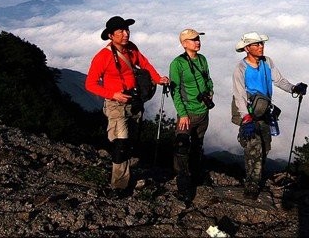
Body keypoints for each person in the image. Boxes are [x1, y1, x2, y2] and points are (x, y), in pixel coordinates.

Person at [85, 15, 169, 196]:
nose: (126, 34)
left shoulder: (131, 49)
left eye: (127, 30)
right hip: (115, 104)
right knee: (121, 143)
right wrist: (112, 94)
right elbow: (90, 84)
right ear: (110, 35)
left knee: (131, 142)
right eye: (121, 31)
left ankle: (127, 172)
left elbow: (144, 63)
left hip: (134, 101)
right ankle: (119, 186)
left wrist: (157, 78)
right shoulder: (102, 57)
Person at [232, 31, 307, 199]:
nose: (261, 47)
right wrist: (246, 117)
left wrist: (293, 88)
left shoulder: (267, 62)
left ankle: (254, 181)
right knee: (255, 149)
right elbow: (239, 94)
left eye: (261, 44)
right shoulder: (241, 68)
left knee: (265, 147)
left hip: (264, 112)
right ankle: (251, 188)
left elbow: (279, 80)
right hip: (249, 112)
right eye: (256, 44)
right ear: (247, 48)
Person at [169, 28, 214, 203]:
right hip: (187, 113)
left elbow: (208, 79)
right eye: (193, 39)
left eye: (198, 39)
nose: (198, 42)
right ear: (184, 43)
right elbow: (175, 91)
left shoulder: (202, 60)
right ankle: (183, 185)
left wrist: (210, 93)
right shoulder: (177, 64)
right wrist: (182, 114)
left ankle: (195, 177)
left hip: (203, 112)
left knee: (197, 145)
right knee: (181, 147)